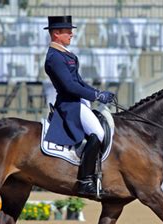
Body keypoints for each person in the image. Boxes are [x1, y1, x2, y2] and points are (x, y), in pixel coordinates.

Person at [43, 15, 115, 197]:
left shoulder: (67, 55)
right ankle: (84, 181)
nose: (71, 34)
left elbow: (80, 82)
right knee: (98, 133)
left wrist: (98, 93)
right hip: (70, 104)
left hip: (79, 101)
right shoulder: (54, 57)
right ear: (56, 33)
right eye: (67, 31)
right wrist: (96, 95)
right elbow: (69, 86)